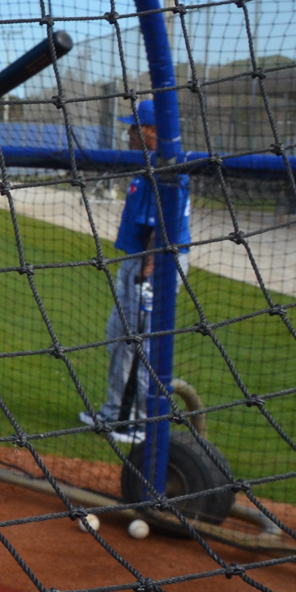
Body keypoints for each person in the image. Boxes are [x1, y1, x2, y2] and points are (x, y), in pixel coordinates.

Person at [81, 99, 191, 442]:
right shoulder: (148, 164)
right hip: (140, 260)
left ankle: (137, 423)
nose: (129, 133)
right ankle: (116, 412)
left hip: (155, 261)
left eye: (135, 127)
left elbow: (164, 226)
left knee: (134, 342)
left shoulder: (166, 169)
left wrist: (147, 271)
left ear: (153, 131)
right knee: (119, 335)